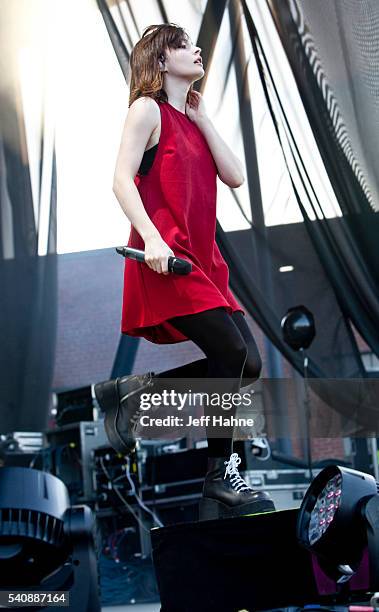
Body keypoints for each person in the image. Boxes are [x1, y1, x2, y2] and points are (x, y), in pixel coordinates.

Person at [98, 23, 275, 520]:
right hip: (167, 256)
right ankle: (222, 475)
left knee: (248, 364)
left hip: (205, 261)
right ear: (160, 61)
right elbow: (119, 179)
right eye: (182, 45)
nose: (196, 49)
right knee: (231, 351)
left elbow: (235, 177)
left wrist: (203, 118)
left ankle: (137, 394)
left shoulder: (190, 119)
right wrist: (152, 239)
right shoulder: (145, 110)